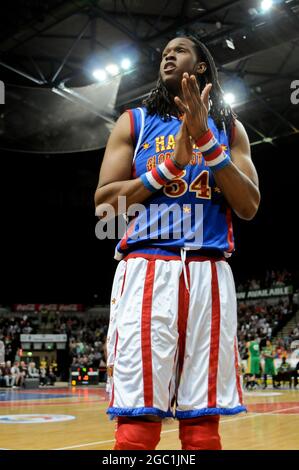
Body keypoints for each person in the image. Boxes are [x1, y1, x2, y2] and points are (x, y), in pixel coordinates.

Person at [94, 35, 260, 450]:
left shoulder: (230, 127)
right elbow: (104, 207)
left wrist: (206, 139)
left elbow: (248, 205)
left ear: (201, 66)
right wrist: (170, 166)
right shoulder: (134, 121)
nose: (168, 54)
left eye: (180, 49)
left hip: (208, 269)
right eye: (164, 51)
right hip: (148, 264)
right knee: (139, 417)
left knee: (203, 419)